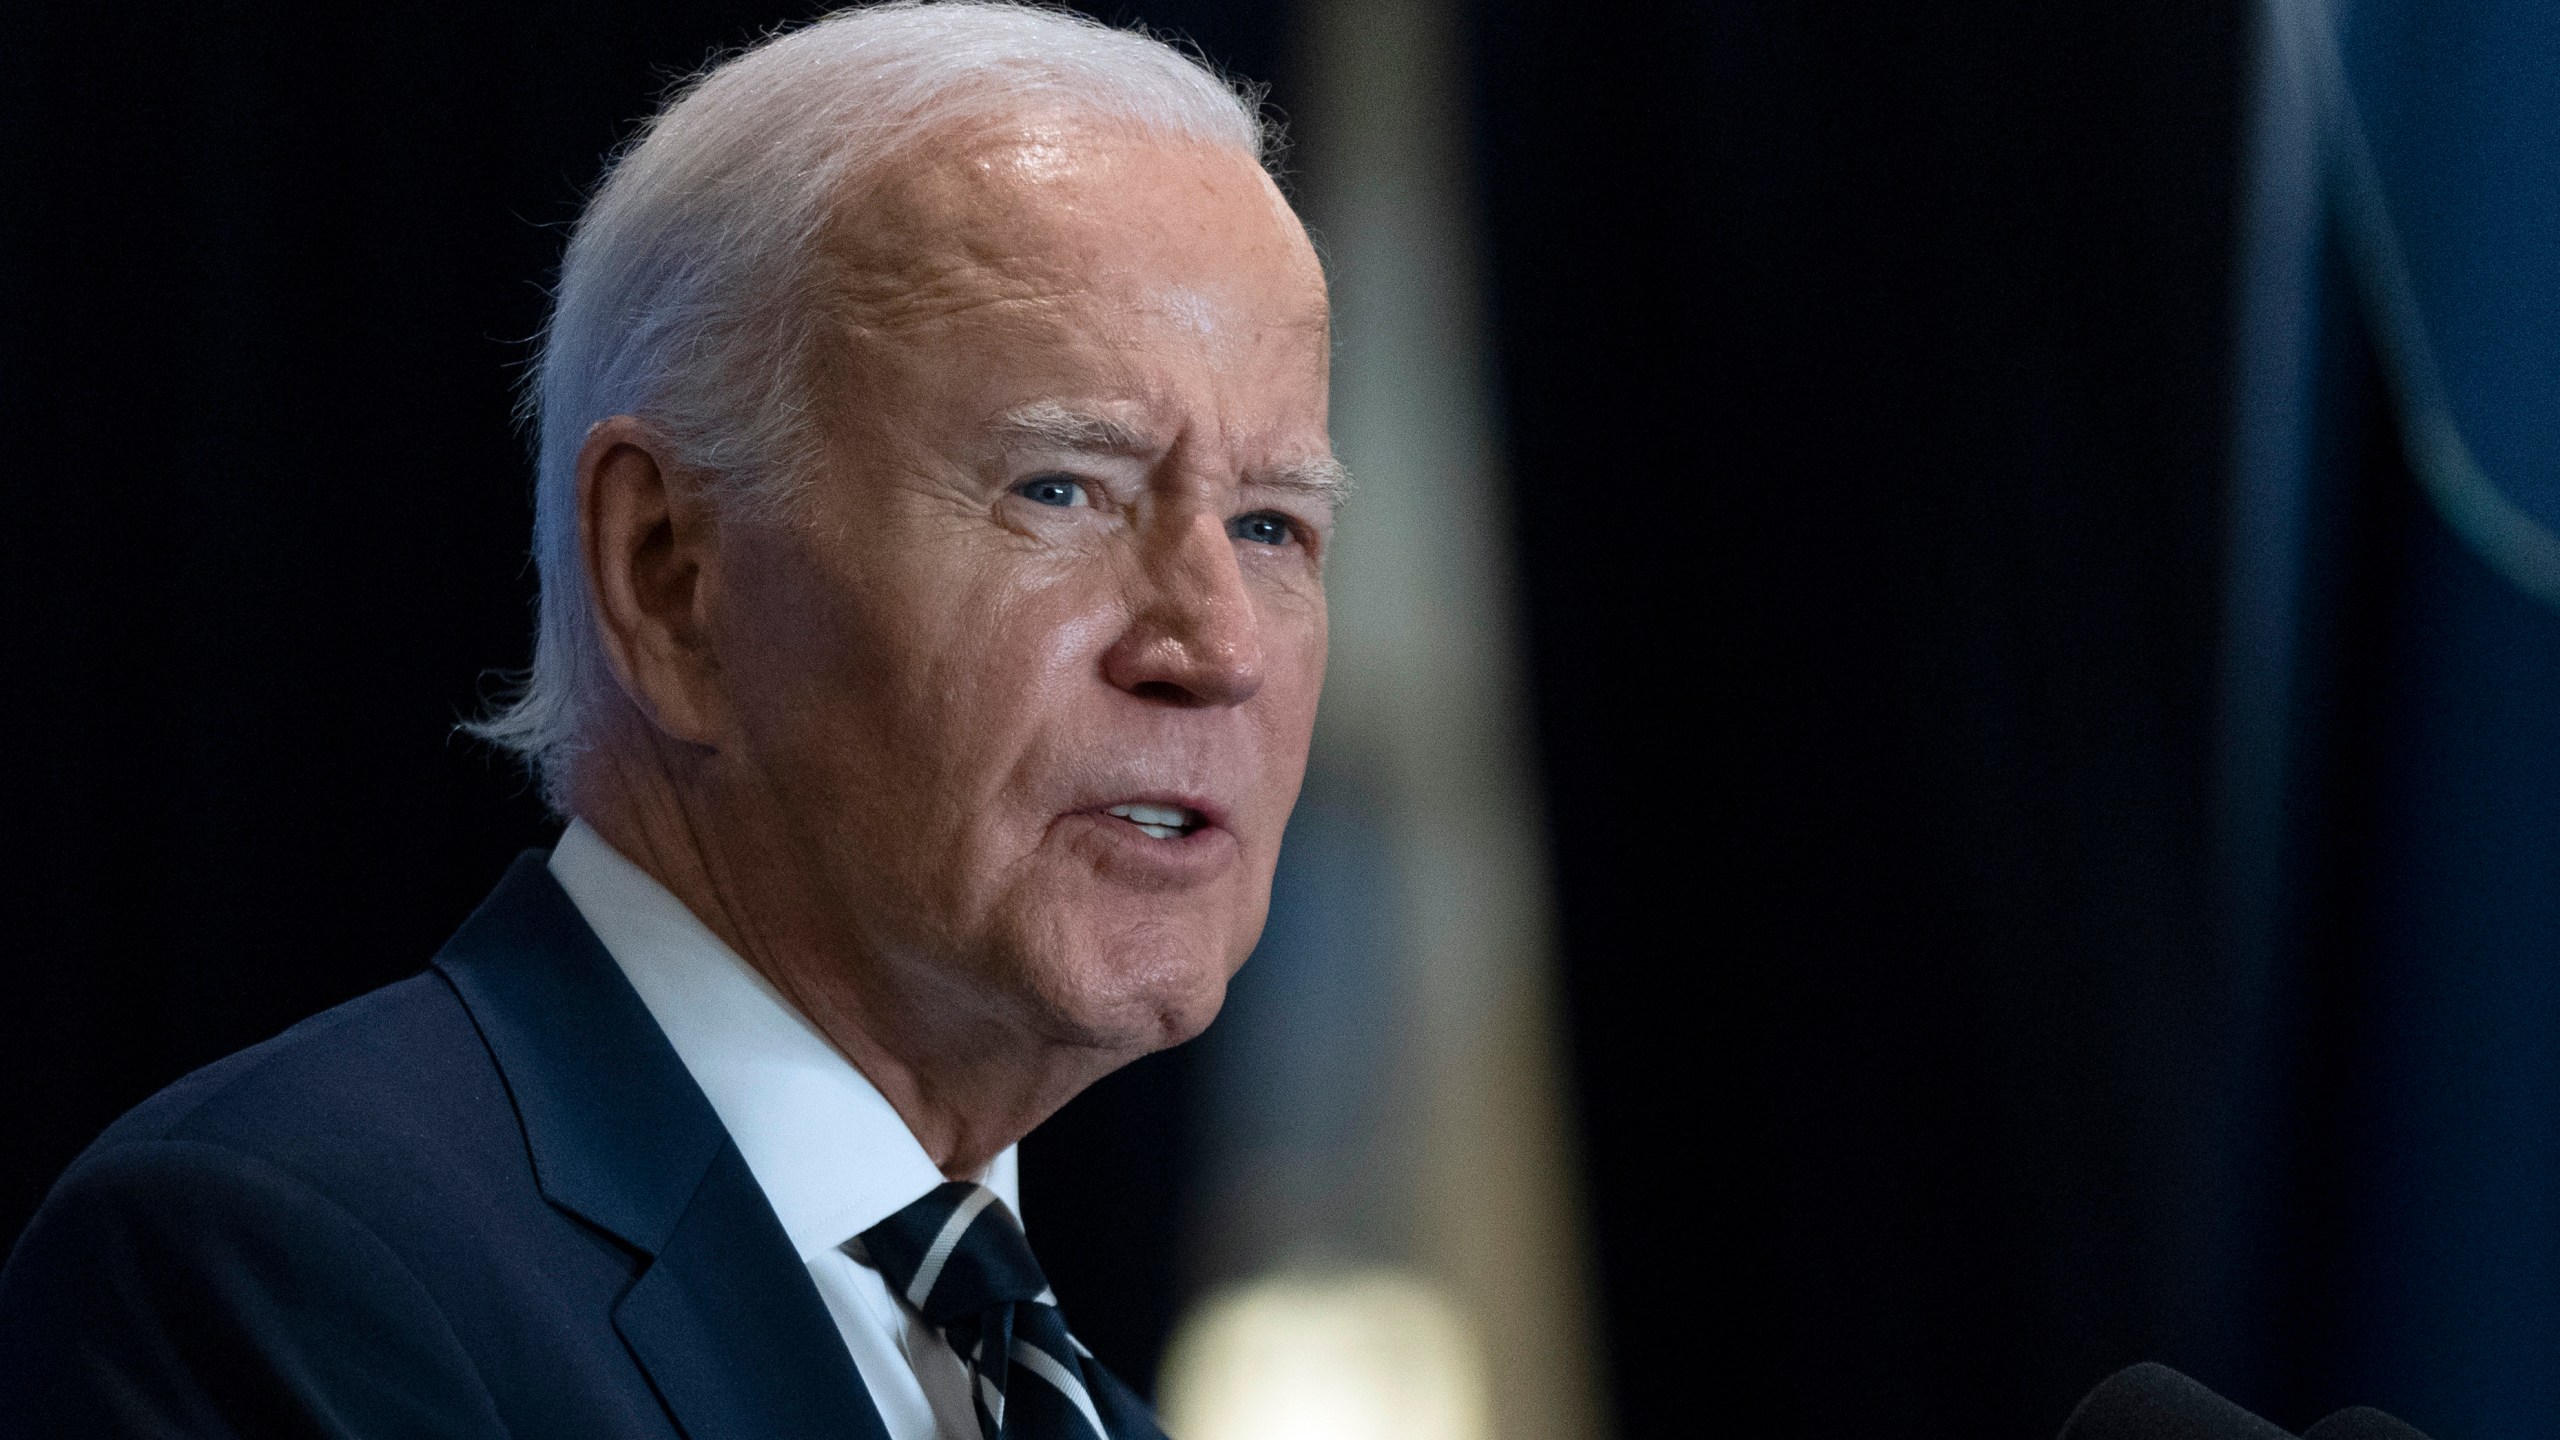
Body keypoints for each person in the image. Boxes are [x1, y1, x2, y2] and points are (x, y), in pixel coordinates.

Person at [0, 4, 1343, 1436]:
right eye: (1062, 488)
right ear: (669, 576)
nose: (1216, 646)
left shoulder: (1084, 1413)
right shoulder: (289, 1263)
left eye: (1270, 523)